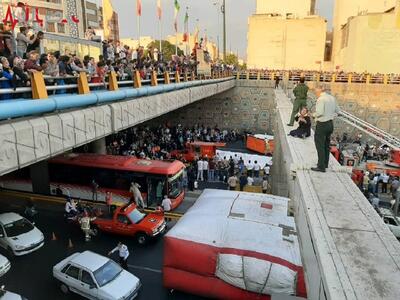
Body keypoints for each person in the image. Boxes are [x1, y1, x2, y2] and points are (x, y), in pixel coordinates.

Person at [311, 85, 339, 173]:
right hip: (330, 124)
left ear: (319, 91)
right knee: (326, 145)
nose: (315, 94)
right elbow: (338, 111)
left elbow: (320, 112)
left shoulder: (321, 99)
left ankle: (321, 166)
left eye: (315, 92)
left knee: (320, 145)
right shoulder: (332, 98)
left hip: (322, 124)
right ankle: (325, 163)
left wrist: (313, 115)